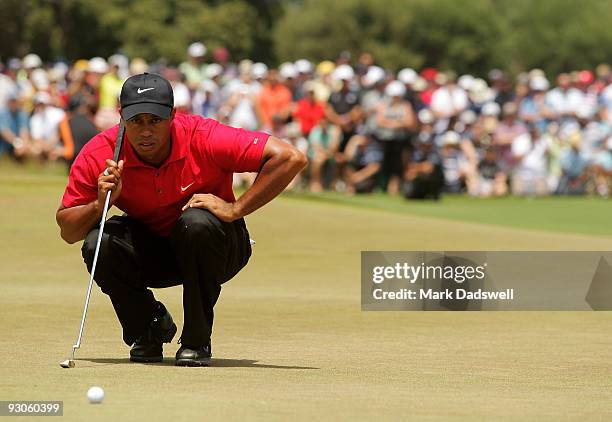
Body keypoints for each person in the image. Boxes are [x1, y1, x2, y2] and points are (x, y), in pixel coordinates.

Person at [56, 73, 307, 366]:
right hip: (154, 252)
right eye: (136, 121)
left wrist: (236, 208)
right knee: (100, 242)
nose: (145, 131)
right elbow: (69, 231)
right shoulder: (102, 152)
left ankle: (196, 340)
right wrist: (101, 204)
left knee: (197, 223)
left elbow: (291, 158)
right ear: (121, 116)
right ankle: (148, 327)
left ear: (173, 115)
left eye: (155, 120)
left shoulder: (204, 135)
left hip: (217, 247)